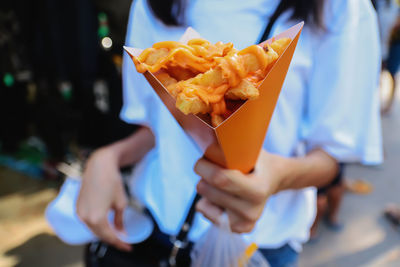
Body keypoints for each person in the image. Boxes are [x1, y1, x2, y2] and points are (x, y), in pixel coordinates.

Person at [75, 0, 383, 266]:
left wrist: (276, 177)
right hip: (155, 227)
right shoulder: (151, 5)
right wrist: (108, 157)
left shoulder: (341, 8)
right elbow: (156, 130)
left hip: (262, 244)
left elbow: (334, 157)